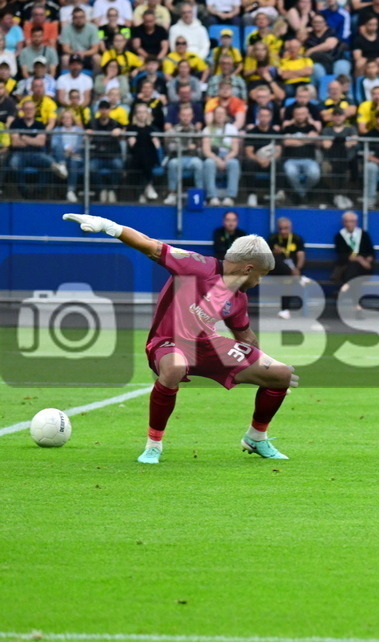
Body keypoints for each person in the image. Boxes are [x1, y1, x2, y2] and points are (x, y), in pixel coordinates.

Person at [62, 213, 295, 464]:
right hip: (167, 342)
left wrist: (267, 367)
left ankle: (256, 438)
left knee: (282, 374)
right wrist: (110, 226)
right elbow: (149, 245)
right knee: (175, 366)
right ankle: (154, 445)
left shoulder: (238, 298)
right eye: (260, 275)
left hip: (208, 346)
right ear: (248, 268)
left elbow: (245, 336)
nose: (258, 282)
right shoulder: (198, 266)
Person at [281, 104, 322, 204]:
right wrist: (306, 139)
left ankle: (299, 193)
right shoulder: (288, 128)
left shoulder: (312, 127)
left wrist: (295, 140)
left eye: (303, 114)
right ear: (294, 115)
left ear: (307, 115)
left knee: (314, 174)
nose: (300, 116)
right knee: (290, 172)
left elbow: (315, 140)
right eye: (298, 114)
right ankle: (303, 195)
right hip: (291, 160)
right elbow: (286, 142)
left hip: (309, 160)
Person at [267, 217, 307, 320]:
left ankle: (285, 310)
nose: (283, 231)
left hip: (293, 269)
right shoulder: (272, 239)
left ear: (290, 228)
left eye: (286, 228)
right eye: (281, 229)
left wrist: (297, 269)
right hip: (276, 269)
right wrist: (273, 253)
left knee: (287, 279)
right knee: (276, 258)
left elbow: (301, 256)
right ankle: (297, 277)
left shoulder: (297, 239)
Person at [202, 105, 241, 206]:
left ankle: (230, 197)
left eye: (222, 113)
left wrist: (225, 159)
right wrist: (217, 160)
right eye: (217, 113)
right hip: (213, 155)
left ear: (226, 115)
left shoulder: (232, 129)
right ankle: (212, 196)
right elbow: (206, 150)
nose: (219, 116)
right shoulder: (208, 129)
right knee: (208, 163)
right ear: (214, 115)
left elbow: (235, 150)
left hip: (228, 156)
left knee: (234, 164)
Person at [332, 211, 375, 290]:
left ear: (356, 223)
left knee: (355, 270)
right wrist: (359, 259)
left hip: (363, 268)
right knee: (353, 268)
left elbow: (371, 252)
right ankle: (353, 297)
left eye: (352, 221)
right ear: (343, 223)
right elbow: (342, 255)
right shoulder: (339, 236)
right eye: (347, 221)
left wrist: (368, 260)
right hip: (346, 266)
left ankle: (344, 291)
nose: (349, 224)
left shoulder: (364, 235)